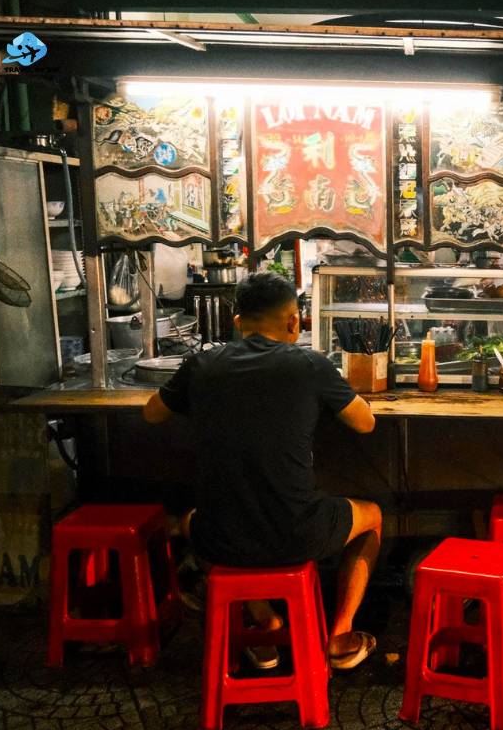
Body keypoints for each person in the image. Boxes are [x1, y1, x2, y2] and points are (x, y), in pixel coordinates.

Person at [143, 271, 381, 671]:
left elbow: (152, 414)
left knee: (190, 522)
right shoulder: (310, 364)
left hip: (222, 537)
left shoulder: (200, 364)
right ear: (294, 322)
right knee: (373, 516)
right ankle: (340, 634)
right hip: (297, 533)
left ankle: (266, 623)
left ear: (237, 323)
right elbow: (365, 423)